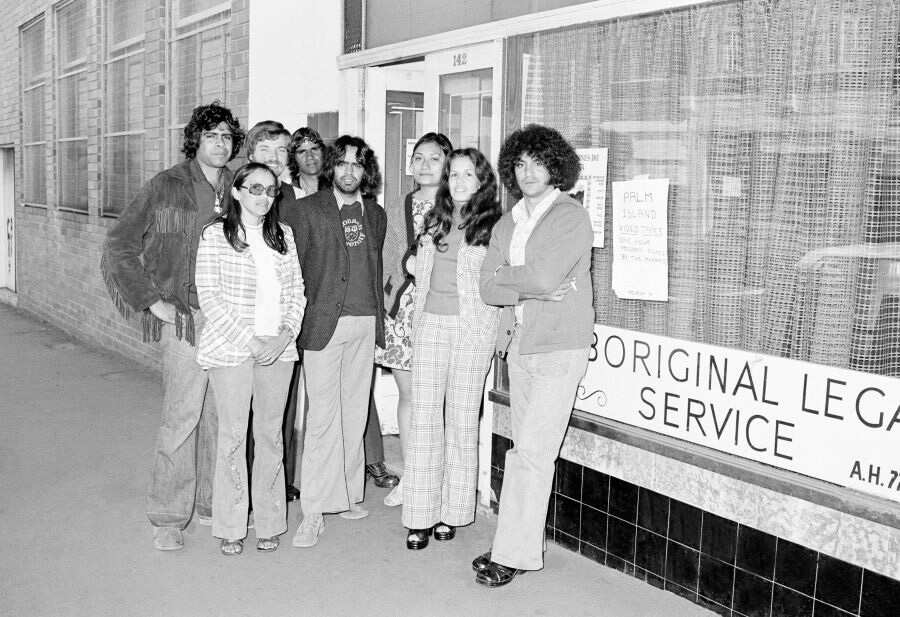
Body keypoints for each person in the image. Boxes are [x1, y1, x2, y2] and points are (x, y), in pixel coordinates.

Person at [100, 101, 244, 551]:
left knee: (223, 419)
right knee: (182, 417)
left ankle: (210, 505)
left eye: (226, 136)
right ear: (195, 140)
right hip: (187, 318)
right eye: (211, 136)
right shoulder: (166, 186)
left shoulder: (238, 185)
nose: (220, 144)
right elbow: (119, 245)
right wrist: (151, 301)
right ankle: (167, 515)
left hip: (231, 319)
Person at [473, 124, 593, 587]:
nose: (527, 172)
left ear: (555, 166)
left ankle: (513, 551)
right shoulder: (509, 220)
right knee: (526, 450)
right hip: (520, 343)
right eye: (519, 164)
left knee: (531, 452)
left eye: (537, 162)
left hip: (561, 346)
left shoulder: (569, 216)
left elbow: (542, 279)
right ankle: (518, 539)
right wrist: (521, 279)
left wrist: (511, 275)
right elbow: (488, 287)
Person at [282, 135, 387, 548]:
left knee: (354, 412)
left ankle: (345, 495)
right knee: (323, 418)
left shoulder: (375, 214)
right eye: (341, 163)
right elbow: (293, 270)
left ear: (366, 171)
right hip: (323, 323)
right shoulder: (305, 210)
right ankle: (312, 511)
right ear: (331, 168)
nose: (348, 171)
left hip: (364, 323)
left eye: (356, 165)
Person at [195, 162, 305, 555]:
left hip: (279, 349)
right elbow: (209, 296)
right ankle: (230, 524)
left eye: (271, 191)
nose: (263, 197)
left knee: (271, 437)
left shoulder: (284, 235)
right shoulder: (215, 235)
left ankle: (271, 520)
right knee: (232, 437)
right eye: (255, 189)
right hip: (230, 350)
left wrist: (285, 334)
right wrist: (251, 341)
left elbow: (297, 292)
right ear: (237, 191)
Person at [402, 148, 502, 550]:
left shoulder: (495, 226)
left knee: (461, 421)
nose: (459, 182)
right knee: (425, 420)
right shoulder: (434, 218)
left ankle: (453, 512)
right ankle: (419, 515)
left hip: (473, 331)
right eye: (454, 174)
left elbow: (503, 277)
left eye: (468, 175)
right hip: (429, 326)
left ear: (481, 182)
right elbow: (415, 263)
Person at [375, 132, 453, 507]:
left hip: (441, 312)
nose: (424, 165)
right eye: (418, 158)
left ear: (447, 163)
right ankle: (409, 476)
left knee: (437, 399)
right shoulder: (399, 204)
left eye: (433, 158)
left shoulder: (460, 205)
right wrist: (404, 271)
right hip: (402, 314)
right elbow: (387, 256)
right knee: (408, 395)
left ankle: (436, 478)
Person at [245, 120, 302, 503]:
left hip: (287, 320)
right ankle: (245, 488)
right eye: (266, 149)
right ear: (251, 155)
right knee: (243, 416)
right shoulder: (242, 197)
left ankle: (276, 484)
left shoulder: (297, 199)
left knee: (280, 410)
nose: (275, 157)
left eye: (282, 150)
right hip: (245, 327)